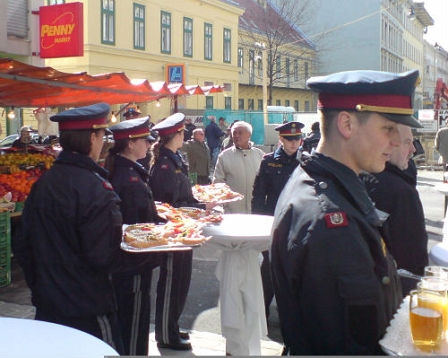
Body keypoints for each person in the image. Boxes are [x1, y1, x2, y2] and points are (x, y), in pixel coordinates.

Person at [270, 69, 423, 355]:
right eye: (388, 128)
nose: (395, 140)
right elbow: (351, 344)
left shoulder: (323, 181)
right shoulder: (330, 222)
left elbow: (373, 281)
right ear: (347, 124)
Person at [12, 103, 155, 354]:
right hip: (87, 307)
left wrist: (41, 287)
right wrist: (155, 251)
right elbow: (104, 257)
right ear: (92, 138)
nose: (103, 142)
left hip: (49, 304)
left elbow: (23, 244)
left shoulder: (44, 183)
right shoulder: (96, 188)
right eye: (101, 136)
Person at [105, 117, 193, 353]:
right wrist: (165, 233)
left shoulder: (130, 172)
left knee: (132, 323)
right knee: (133, 327)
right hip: (132, 266)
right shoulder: (130, 178)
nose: (148, 143)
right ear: (131, 144)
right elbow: (136, 226)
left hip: (132, 264)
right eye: (144, 139)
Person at [148, 113, 216, 349]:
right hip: (173, 235)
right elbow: (169, 207)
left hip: (184, 232)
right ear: (175, 135)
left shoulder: (174, 159)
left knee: (181, 282)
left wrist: (199, 203)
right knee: (171, 284)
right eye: (181, 134)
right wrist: (201, 207)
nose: (184, 137)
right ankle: (166, 335)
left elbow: (183, 196)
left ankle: (172, 327)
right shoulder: (166, 165)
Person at [363, 124, 429, 297]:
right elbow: (414, 261)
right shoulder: (402, 193)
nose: (414, 148)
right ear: (388, 146)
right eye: (407, 142)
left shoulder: (359, 177)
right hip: (396, 294)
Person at [251, 121, 304, 320]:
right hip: (273, 222)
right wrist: (257, 221)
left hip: (298, 221)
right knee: (270, 267)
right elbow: (258, 194)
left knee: (296, 268)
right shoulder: (269, 161)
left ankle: (291, 313)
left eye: (297, 139)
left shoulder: (305, 162)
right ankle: (262, 310)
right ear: (281, 139)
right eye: (290, 139)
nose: (294, 143)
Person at [213, 121, 264, 213]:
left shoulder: (260, 155)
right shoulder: (224, 156)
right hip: (232, 212)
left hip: (256, 211)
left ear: (249, 135)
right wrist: (221, 206)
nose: (236, 136)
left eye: (240, 133)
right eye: (234, 133)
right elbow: (217, 183)